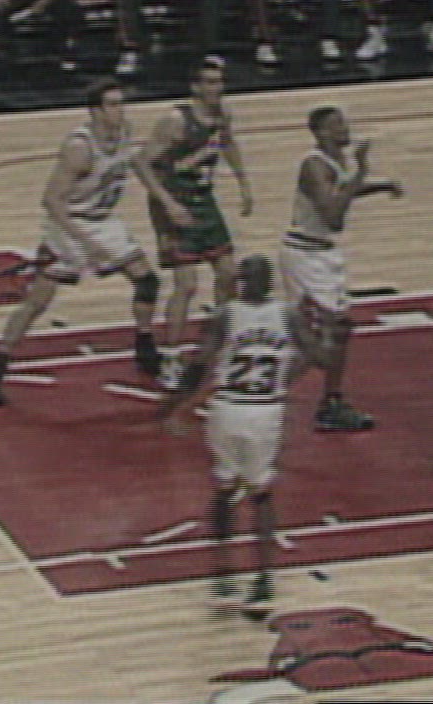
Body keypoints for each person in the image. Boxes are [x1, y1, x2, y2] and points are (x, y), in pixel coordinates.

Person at [0, 78, 194, 406]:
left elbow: (137, 165)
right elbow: (51, 201)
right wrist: (84, 242)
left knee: (147, 280)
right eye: (113, 105)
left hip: (102, 220)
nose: (121, 110)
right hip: (69, 224)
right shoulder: (79, 147)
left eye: (122, 103)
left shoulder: (124, 133)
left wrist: (167, 201)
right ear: (95, 111)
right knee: (38, 302)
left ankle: (145, 348)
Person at [160, 253, 311, 618]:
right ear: (270, 281)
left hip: (228, 407)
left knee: (226, 488)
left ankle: (225, 574)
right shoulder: (288, 315)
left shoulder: (226, 315)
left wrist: (178, 405)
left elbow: (200, 363)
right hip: (265, 408)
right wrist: (287, 377)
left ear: (242, 282)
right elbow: (318, 352)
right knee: (260, 493)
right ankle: (262, 579)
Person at [279, 106, 403, 432]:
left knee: (338, 332)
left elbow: (343, 190)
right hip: (305, 254)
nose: (343, 129)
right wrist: (363, 171)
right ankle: (263, 393)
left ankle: (330, 402)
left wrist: (379, 186)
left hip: (323, 254)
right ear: (319, 133)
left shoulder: (336, 162)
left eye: (343, 123)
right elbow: (333, 216)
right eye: (335, 126)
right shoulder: (314, 165)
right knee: (323, 337)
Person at [141, 56, 254, 383]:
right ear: (195, 87)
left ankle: (220, 344)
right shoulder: (176, 121)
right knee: (187, 285)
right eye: (210, 82)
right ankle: (171, 357)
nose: (218, 88)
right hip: (173, 201)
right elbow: (141, 163)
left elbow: (227, 143)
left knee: (229, 273)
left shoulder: (222, 115)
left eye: (220, 82)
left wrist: (243, 182)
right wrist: (168, 204)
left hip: (204, 200)